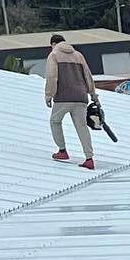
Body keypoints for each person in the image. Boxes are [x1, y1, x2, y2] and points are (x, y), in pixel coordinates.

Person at [43, 34, 100, 169]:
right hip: (81, 97)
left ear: (53, 44)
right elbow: (88, 76)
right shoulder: (78, 56)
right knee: (82, 127)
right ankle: (89, 158)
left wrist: (48, 95)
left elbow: (52, 76)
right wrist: (92, 94)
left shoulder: (54, 55)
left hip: (63, 96)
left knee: (55, 121)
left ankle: (62, 151)